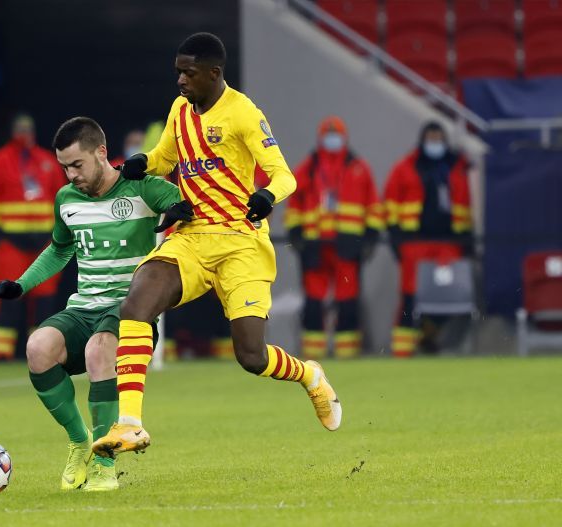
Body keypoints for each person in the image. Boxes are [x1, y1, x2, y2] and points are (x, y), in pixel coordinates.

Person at [92, 32, 343, 459]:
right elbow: (165, 157)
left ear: (214, 73)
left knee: (251, 355)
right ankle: (131, 425)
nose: (181, 82)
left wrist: (266, 197)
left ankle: (309, 376)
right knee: (136, 303)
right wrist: (141, 164)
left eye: (189, 74)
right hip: (192, 237)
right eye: (178, 73)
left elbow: (285, 176)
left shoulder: (243, 113)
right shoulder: (179, 110)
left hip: (241, 243)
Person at [0, 117, 181, 491]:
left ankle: (105, 463)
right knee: (38, 347)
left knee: (98, 352)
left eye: (77, 164)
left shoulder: (140, 186)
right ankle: (80, 441)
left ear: (101, 153)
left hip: (129, 310)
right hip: (84, 308)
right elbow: (60, 249)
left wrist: (178, 211)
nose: (70, 174)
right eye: (64, 167)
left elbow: (184, 203)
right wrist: (21, 285)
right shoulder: (67, 199)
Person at [284, 116, 383, 359]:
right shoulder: (307, 168)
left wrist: (371, 237)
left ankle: (346, 353)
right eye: (328, 135)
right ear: (320, 137)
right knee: (314, 301)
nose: (332, 139)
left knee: (347, 299)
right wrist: (295, 234)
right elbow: (294, 204)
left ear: (345, 137)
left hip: (348, 246)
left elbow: (373, 205)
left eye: (336, 134)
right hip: (314, 246)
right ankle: (313, 356)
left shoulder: (359, 168)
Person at [0, 114, 67, 360]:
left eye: (28, 129)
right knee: (7, 295)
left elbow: (62, 197)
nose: (24, 133)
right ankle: (0, 352)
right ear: (12, 131)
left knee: (44, 298)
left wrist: (59, 234)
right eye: (20, 129)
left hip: (44, 243)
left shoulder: (47, 161)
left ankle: (41, 352)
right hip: (10, 243)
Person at [384, 121, 473, 357]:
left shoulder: (456, 168)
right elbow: (390, 203)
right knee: (410, 297)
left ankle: (427, 338)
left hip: (448, 244)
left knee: (447, 295)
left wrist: (467, 238)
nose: (435, 142)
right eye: (431, 138)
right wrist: (395, 235)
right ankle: (402, 352)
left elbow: (465, 204)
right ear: (422, 140)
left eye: (438, 138)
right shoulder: (405, 167)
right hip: (415, 242)